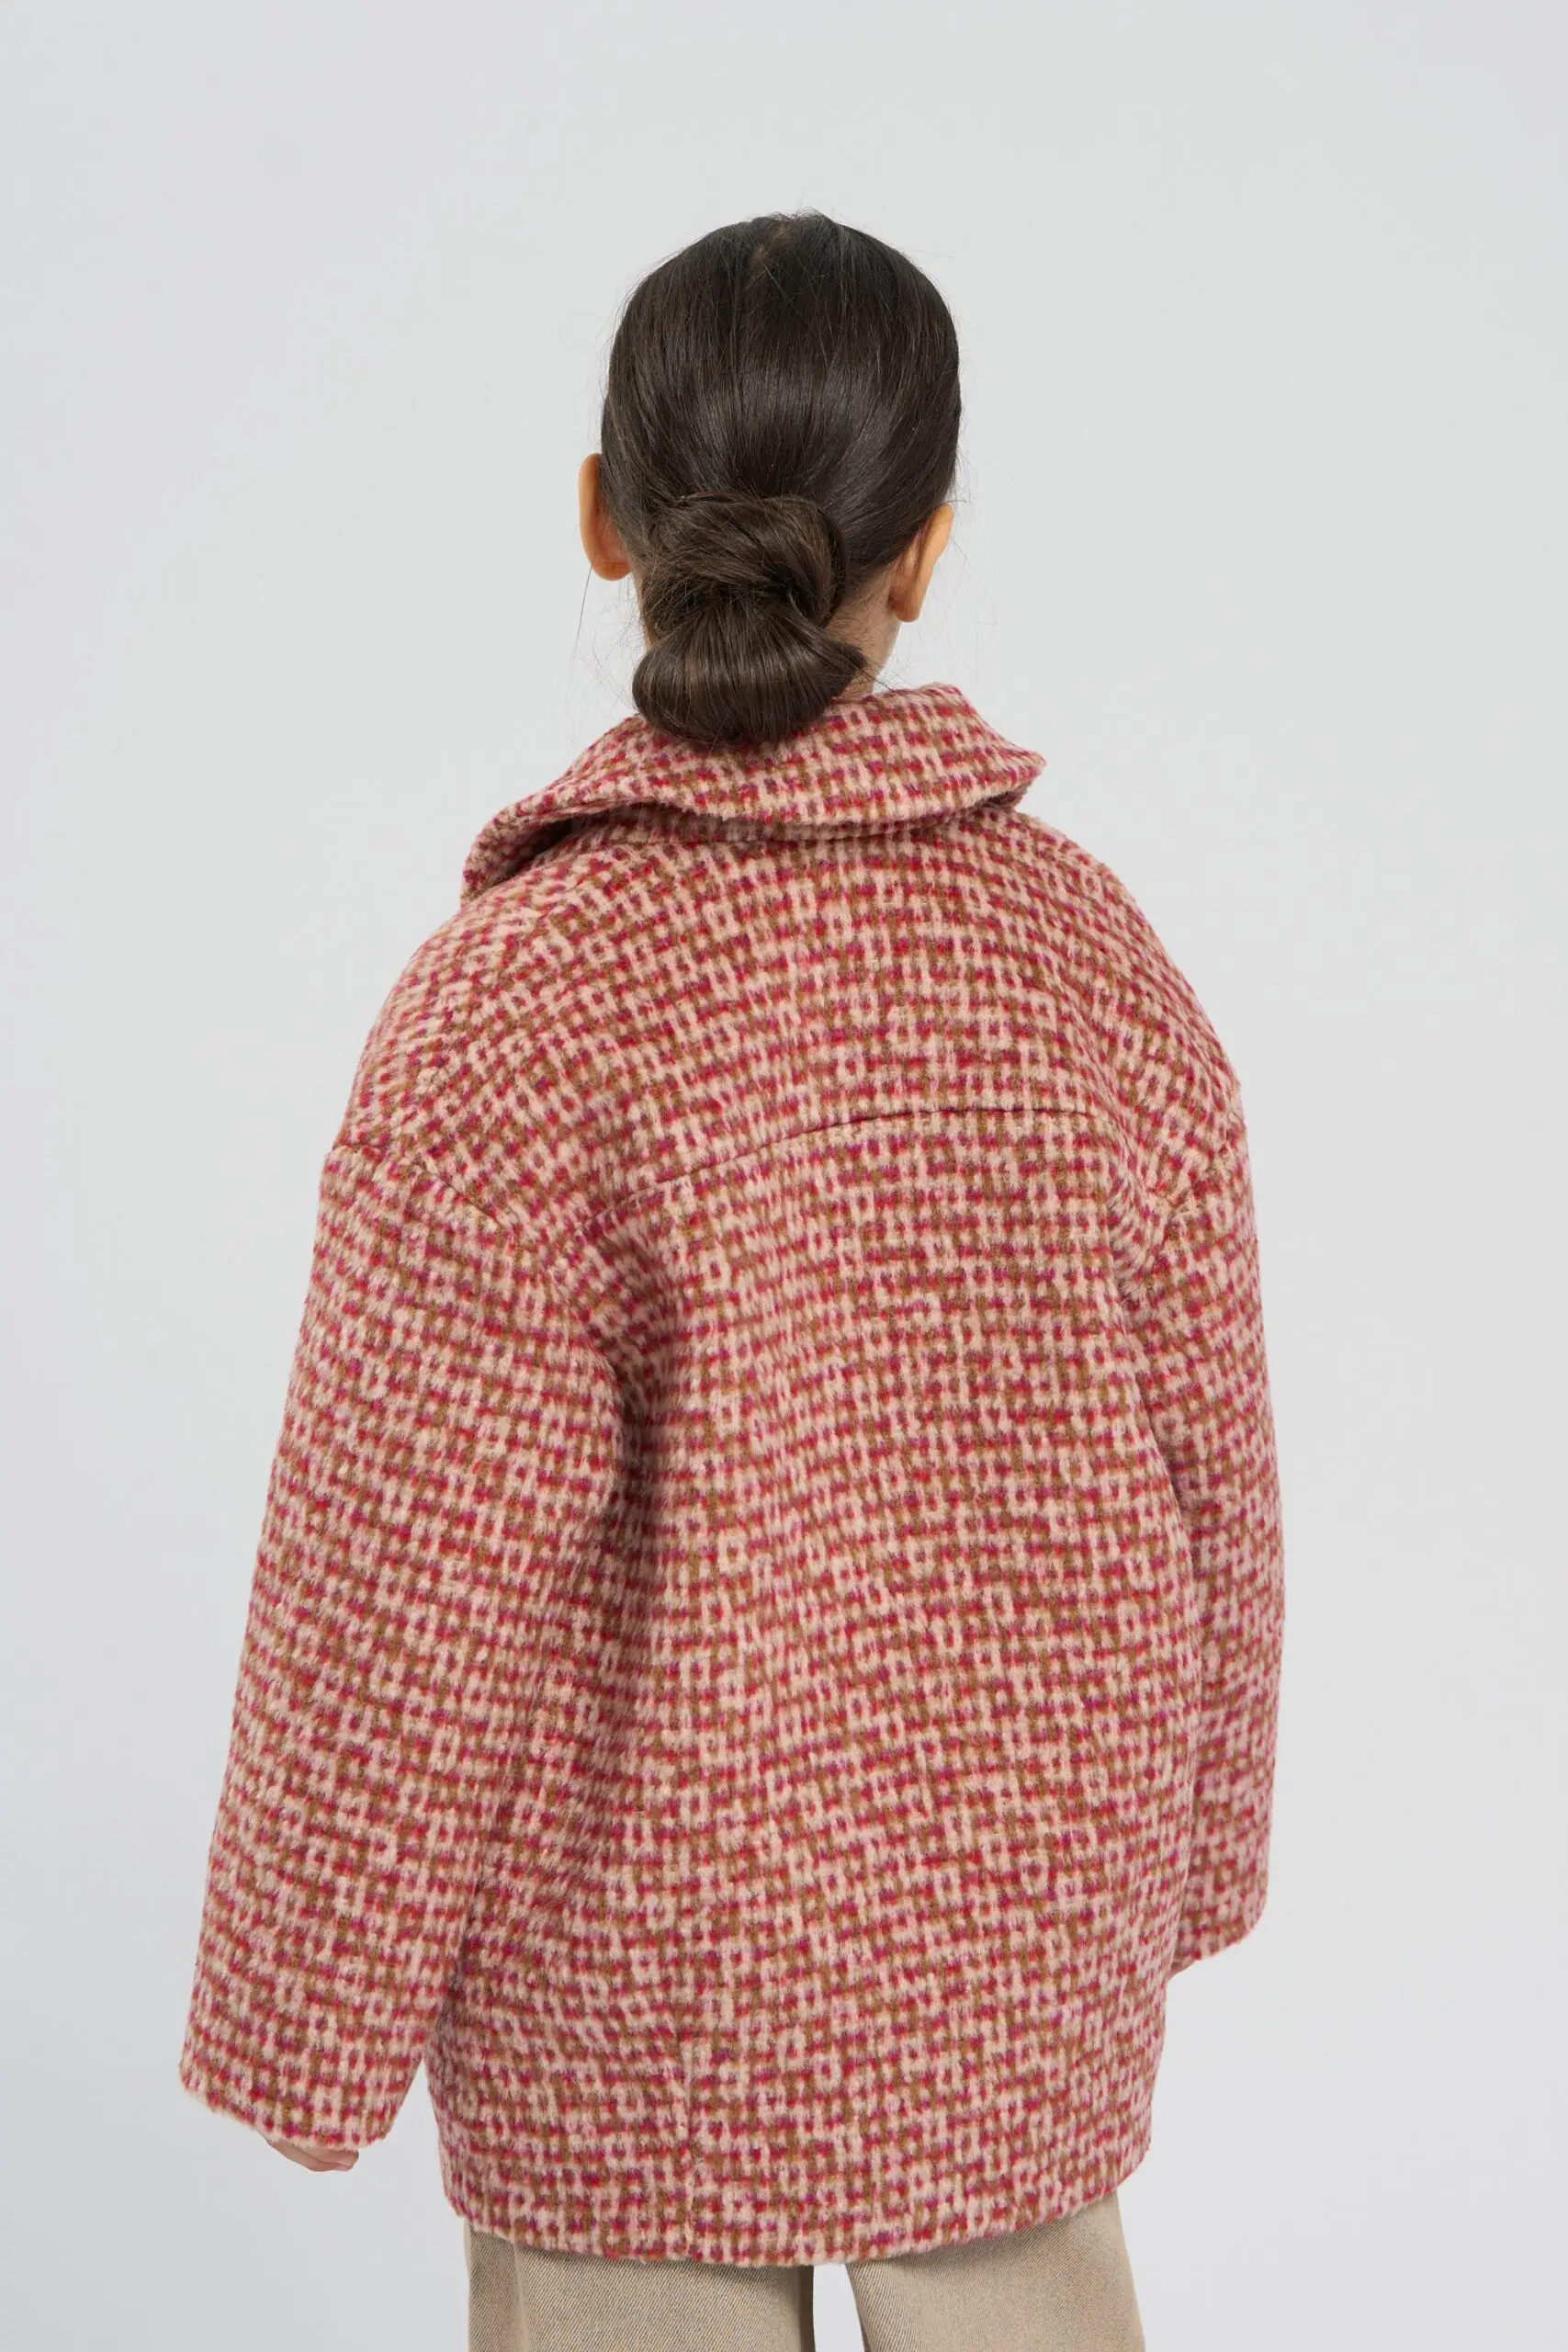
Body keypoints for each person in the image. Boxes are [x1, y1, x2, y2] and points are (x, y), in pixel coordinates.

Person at [179, 209, 1285, 2351]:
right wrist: (1192, 1854)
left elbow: (398, 1565)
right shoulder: (1085, 960)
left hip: (633, 1971)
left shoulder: (517, 996)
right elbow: (1211, 1468)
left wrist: (301, 2013)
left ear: (606, 518)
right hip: (1014, 1939)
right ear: (925, 549)